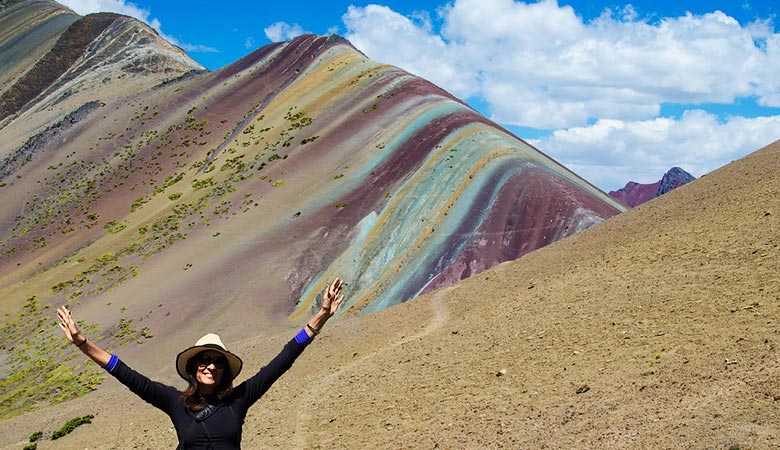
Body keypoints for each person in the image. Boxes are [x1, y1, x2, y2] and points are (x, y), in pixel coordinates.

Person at [56, 277, 345, 450]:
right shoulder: (175, 402)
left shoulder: (238, 400)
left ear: (225, 369)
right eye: (204, 359)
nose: (211, 366)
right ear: (194, 367)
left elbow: (282, 361)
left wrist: (321, 317)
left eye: (218, 361)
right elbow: (127, 375)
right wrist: (83, 343)